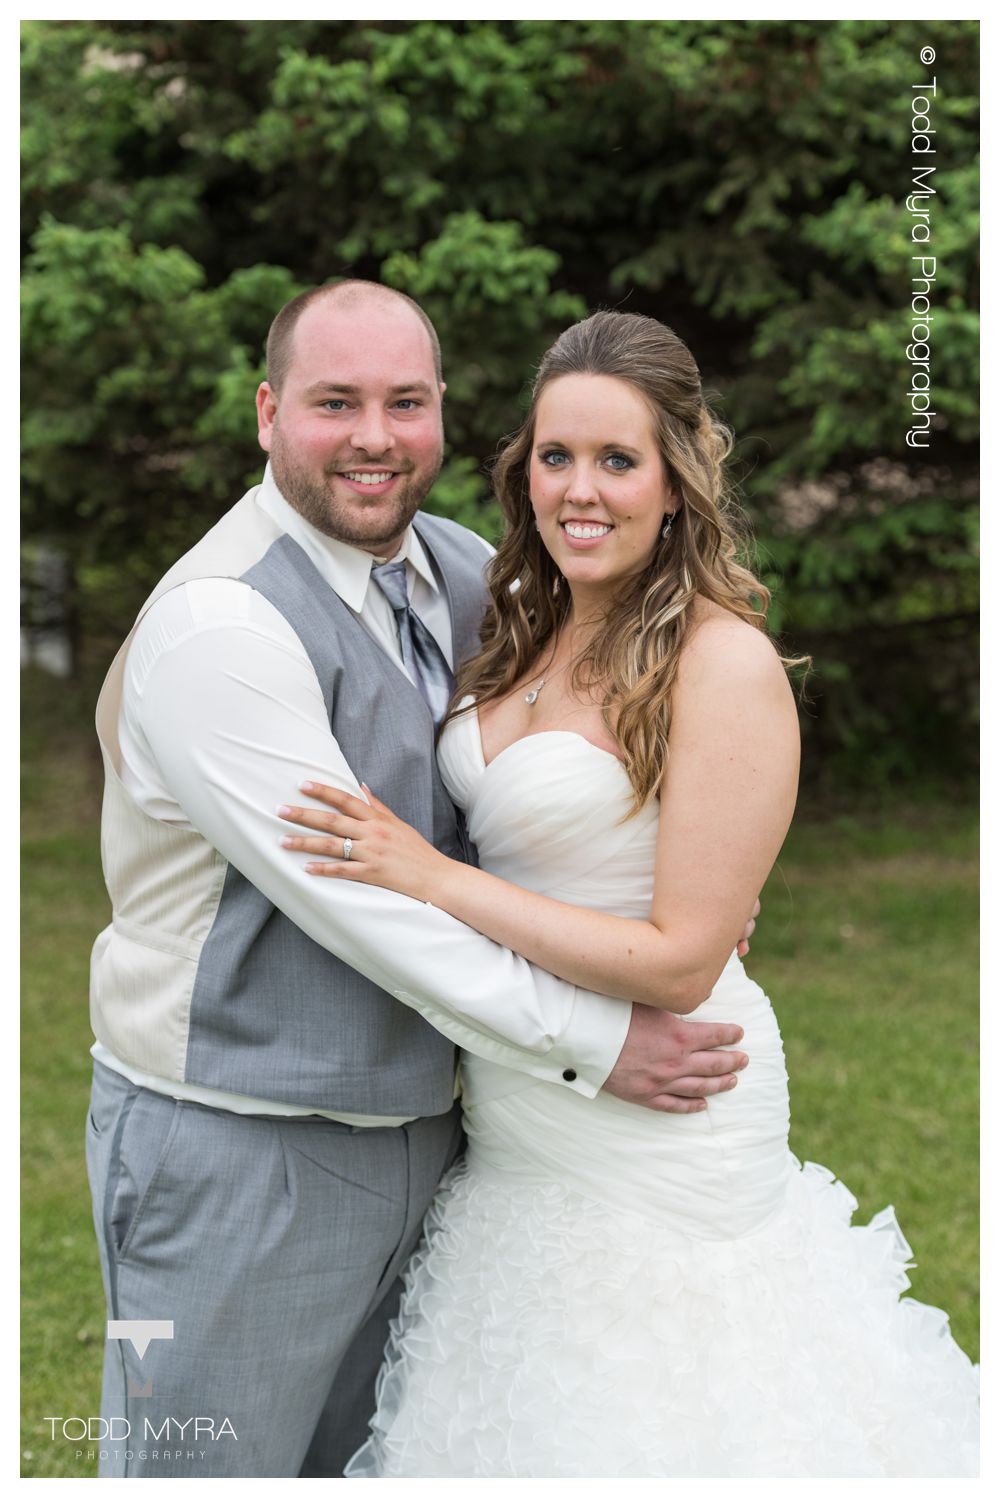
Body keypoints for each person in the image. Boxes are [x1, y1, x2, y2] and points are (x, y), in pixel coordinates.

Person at [279, 310, 979, 1478]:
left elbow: (679, 962)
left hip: (667, 1122)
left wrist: (431, 877)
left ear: (676, 480)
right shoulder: (515, 622)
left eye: (618, 460)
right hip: (518, 1128)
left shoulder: (723, 662)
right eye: (556, 457)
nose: (580, 491)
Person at [84, 282, 758, 1479]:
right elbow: (369, 910)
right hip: (239, 1148)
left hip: (447, 1135)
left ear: (445, 412)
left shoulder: (465, 573)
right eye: (333, 402)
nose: (374, 437)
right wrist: (598, 1040)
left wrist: (686, 887)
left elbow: (627, 751)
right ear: (266, 413)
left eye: (406, 401)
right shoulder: (219, 628)